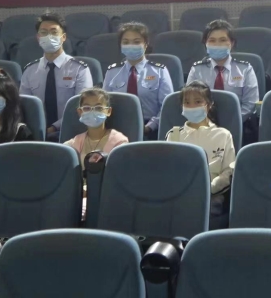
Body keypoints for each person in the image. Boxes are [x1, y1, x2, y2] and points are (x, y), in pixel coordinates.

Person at [20, 12, 93, 142]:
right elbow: (25, 107)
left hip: (71, 133)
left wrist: (54, 127)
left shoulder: (79, 69)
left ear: (63, 37)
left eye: (54, 32)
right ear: (38, 37)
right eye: (44, 32)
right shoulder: (29, 71)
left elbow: (82, 106)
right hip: (37, 135)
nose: (49, 36)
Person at [165, 81, 235, 213]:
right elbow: (167, 171)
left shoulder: (223, 135)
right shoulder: (173, 135)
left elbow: (228, 172)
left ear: (209, 104)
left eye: (198, 102)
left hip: (211, 199)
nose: (192, 107)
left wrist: (208, 188)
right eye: (187, 102)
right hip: (178, 198)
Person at [104, 22, 173, 140]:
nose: (131, 45)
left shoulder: (159, 71)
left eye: (136, 42)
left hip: (151, 130)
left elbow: (167, 106)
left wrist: (150, 127)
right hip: (118, 129)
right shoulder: (112, 71)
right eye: (126, 42)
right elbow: (104, 104)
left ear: (146, 44)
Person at [187, 20, 258, 120]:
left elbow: (250, 105)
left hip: (238, 123)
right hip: (203, 123)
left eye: (223, 40)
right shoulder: (197, 70)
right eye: (212, 40)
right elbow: (190, 101)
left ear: (231, 43)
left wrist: (233, 122)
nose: (217, 44)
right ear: (205, 43)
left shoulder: (245, 69)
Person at [64, 88, 128, 168]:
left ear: (108, 111)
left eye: (98, 108)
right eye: (87, 108)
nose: (92, 112)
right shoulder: (75, 142)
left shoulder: (119, 142)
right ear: (80, 112)